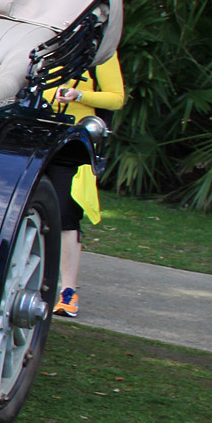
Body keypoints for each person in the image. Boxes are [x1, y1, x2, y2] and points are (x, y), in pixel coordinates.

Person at [48, 55, 127, 318]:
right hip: (30, 134)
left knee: (66, 211)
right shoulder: (44, 42)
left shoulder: (101, 51)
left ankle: (67, 292)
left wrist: (79, 95)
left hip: (72, 143)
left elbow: (117, 98)